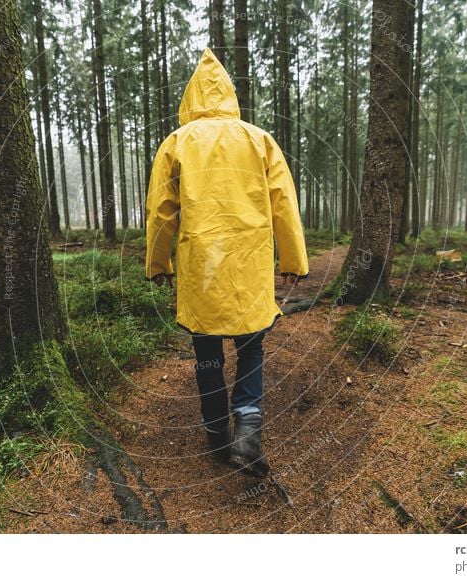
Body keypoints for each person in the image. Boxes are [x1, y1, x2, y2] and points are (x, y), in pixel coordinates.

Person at [145, 48, 308, 477]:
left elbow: (161, 211)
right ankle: (248, 431)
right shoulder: (259, 140)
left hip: (202, 267)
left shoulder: (176, 143)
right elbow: (283, 204)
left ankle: (218, 434)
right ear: (230, 96)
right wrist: (293, 258)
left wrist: (158, 263)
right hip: (249, 265)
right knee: (251, 346)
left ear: (190, 97)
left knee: (207, 352)